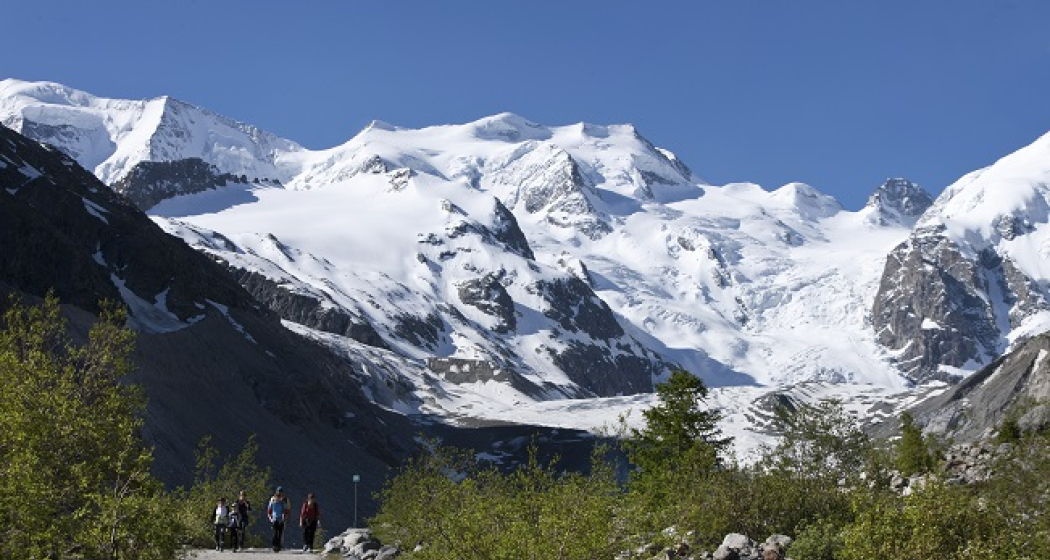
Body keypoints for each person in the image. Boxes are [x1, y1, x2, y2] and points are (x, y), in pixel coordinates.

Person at [267, 486, 291, 552]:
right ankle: (275, 546)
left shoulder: (285, 500)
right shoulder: (272, 500)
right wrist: (270, 518)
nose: (280, 493)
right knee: (275, 533)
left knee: (280, 533)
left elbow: (287, 510)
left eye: (280, 492)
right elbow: (269, 510)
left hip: (282, 519)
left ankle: (279, 546)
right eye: (278, 492)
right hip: (275, 519)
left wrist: (286, 517)